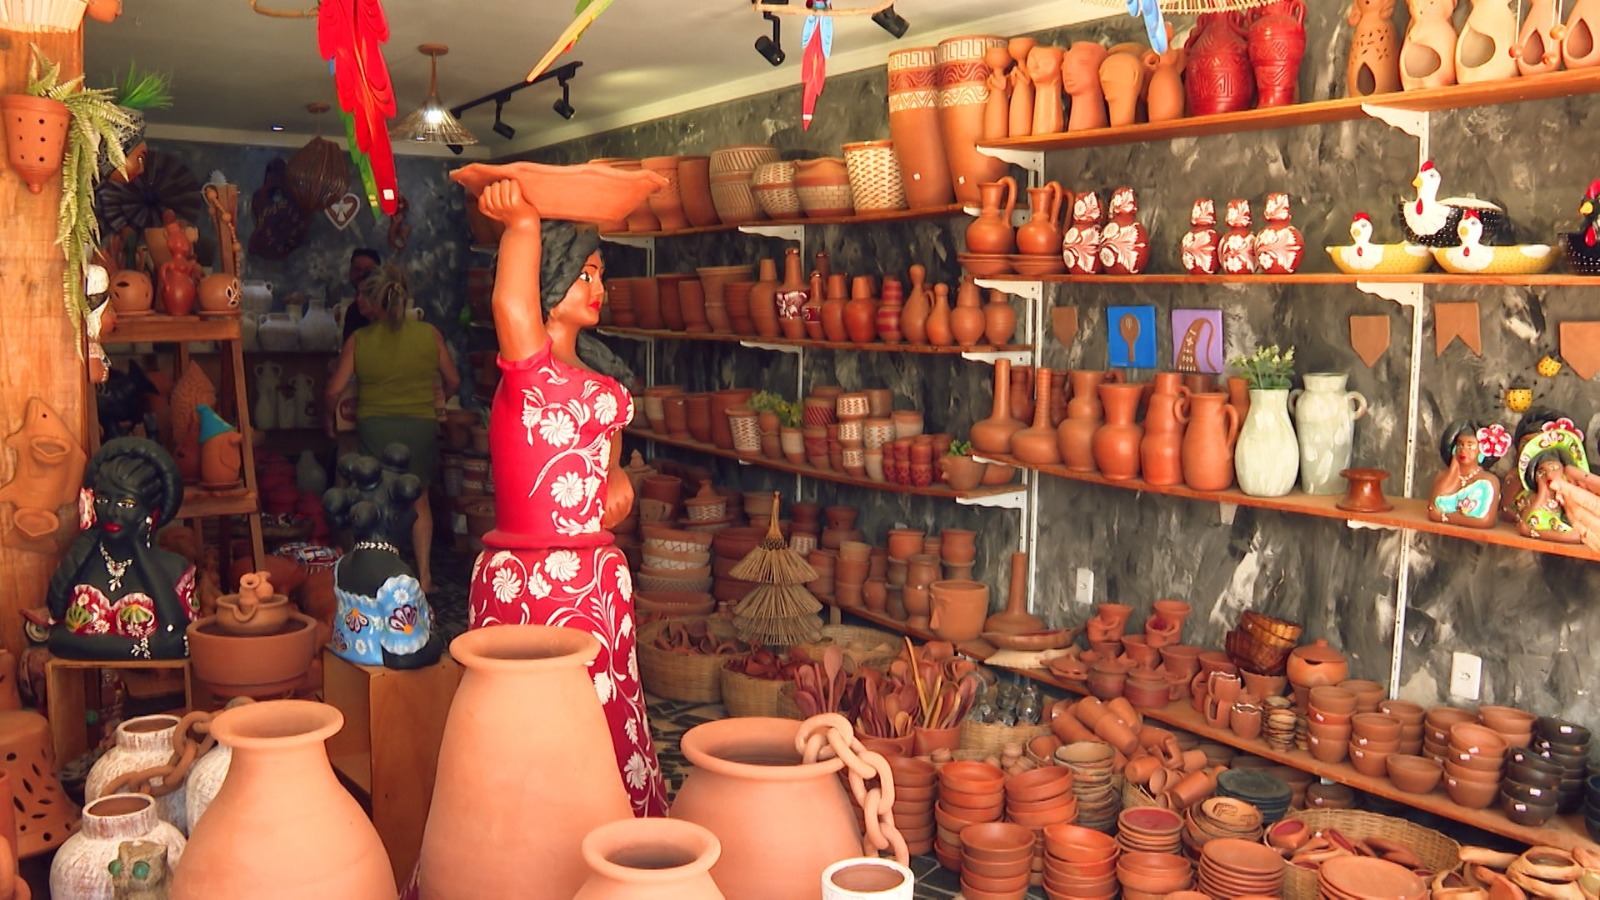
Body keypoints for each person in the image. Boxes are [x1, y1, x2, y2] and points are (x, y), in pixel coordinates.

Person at [452, 162, 666, 817]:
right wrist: (521, 225)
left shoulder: (599, 374)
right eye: (586, 273)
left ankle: (619, 848)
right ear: (549, 282)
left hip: (599, 577)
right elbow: (509, 306)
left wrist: (616, 476)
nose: (599, 286)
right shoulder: (531, 369)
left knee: (609, 711)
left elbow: (606, 455)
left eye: (602, 273)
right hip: (532, 578)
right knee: (531, 726)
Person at [324, 263, 460, 593]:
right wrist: (436, 400)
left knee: (371, 494)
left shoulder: (359, 340)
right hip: (420, 426)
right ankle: (425, 578)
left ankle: (371, 572)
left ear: (374, 304)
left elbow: (332, 391)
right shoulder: (429, 335)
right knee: (419, 499)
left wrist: (329, 421)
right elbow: (453, 380)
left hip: (375, 427)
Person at [47, 438, 195, 660]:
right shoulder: (78, 563)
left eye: (126, 504)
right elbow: (55, 637)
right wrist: (148, 647)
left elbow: (179, 640)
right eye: (104, 500)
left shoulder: (174, 568)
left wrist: (139, 548)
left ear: (150, 512)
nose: (112, 512)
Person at [1427, 420, 1504, 529]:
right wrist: (1453, 471)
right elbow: (1432, 511)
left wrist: (1446, 517)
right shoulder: (1442, 476)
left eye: (1470, 446)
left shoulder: (1489, 482)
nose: (1463, 450)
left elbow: (1486, 521)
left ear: (1482, 451)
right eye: (1460, 445)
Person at [340, 247, 382, 340]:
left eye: (367, 271)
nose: (361, 274)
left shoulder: (387, 309)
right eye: (357, 269)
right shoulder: (353, 310)